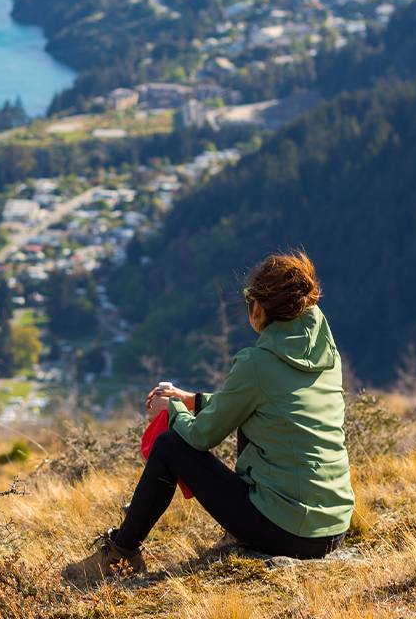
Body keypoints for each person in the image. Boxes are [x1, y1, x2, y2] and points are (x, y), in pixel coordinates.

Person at [63, 251, 354, 585]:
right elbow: (266, 406)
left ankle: (120, 555)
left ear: (259, 307)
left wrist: (171, 410)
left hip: (289, 533)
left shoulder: (257, 363)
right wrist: (192, 400)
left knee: (170, 446)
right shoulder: (326, 355)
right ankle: (222, 536)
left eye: (249, 302)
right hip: (333, 528)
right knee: (234, 427)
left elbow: (201, 437)